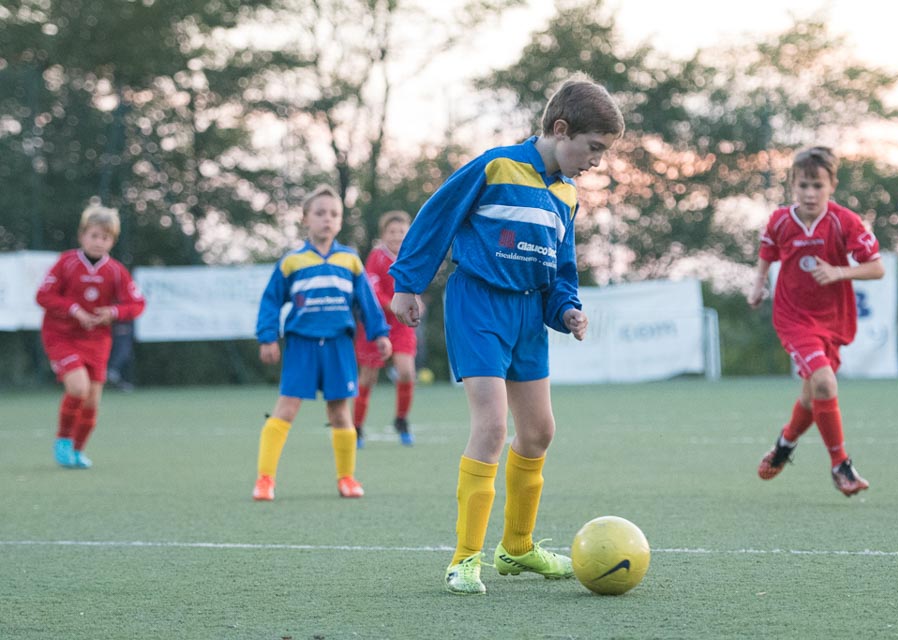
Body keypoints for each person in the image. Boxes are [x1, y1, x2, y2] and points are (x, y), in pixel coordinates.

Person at [389, 76, 624, 594]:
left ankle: (516, 549)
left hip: (527, 316)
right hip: (478, 305)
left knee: (538, 432)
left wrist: (568, 310)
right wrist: (407, 283)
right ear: (560, 130)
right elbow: (436, 217)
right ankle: (464, 559)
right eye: (593, 148)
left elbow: (561, 269)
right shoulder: (496, 166)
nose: (596, 161)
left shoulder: (566, 194)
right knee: (493, 426)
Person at [747, 146, 884, 497]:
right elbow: (767, 251)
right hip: (793, 318)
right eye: (803, 185)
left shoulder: (845, 221)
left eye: (817, 186)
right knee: (824, 382)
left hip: (834, 321)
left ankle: (783, 446)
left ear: (832, 185)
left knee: (813, 395)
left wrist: (839, 271)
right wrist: (759, 284)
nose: (810, 193)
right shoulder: (780, 220)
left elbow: (876, 268)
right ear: (793, 184)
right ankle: (841, 465)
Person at [253, 184, 391, 501]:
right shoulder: (292, 262)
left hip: (339, 345)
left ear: (340, 222)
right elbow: (271, 301)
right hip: (301, 345)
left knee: (340, 412)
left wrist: (380, 333)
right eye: (319, 213)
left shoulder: (350, 260)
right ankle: (265, 479)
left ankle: (347, 478)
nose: (327, 219)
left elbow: (367, 302)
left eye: (334, 214)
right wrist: (268, 336)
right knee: (286, 409)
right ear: (305, 219)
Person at [36, 204, 146, 469]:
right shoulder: (66, 263)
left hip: (97, 341)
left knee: (92, 401)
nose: (99, 242)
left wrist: (113, 312)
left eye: (105, 237)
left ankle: (77, 450)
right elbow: (43, 296)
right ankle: (63, 440)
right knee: (78, 388)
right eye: (94, 235)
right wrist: (74, 310)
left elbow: (137, 304)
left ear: (112, 241)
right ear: (82, 235)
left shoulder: (116, 271)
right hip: (61, 336)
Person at [353, 210, 417, 448]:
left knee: (406, 372)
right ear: (383, 235)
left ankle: (401, 420)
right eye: (392, 232)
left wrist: (415, 301)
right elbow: (372, 290)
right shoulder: (376, 256)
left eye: (402, 232)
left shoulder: (411, 256)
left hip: (401, 325)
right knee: (368, 377)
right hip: (376, 323)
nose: (397, 236)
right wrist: (393, 304)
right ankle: (357, 427)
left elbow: (416, 285)